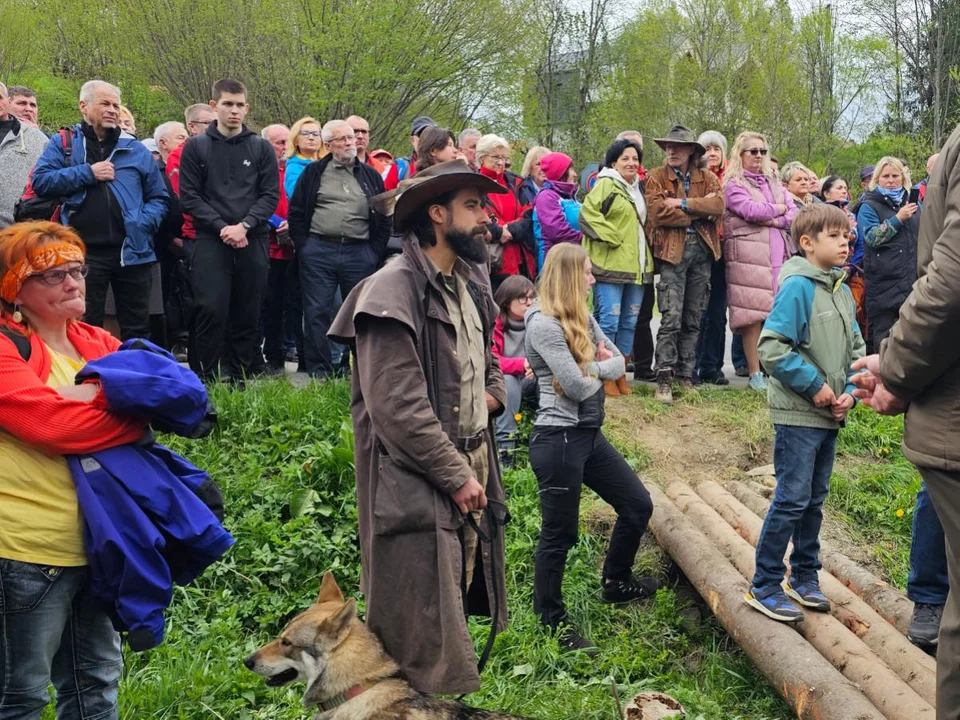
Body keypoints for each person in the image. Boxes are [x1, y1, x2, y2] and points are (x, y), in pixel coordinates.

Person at [328, 159, 508, 696]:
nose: (487, 218)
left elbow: (490, 357)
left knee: (450, 603)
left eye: (485, 206)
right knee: (414, 625)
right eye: (473, 206)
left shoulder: (472, 278)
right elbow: (397, 409)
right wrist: (455, 474)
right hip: (414, 479)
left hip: (471, 461)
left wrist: (494, 397)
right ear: (437, 214)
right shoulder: (391, 290)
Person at [0, 221, 148, 718]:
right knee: (19, 694)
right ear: (13, 289)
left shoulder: (97, 341)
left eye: (78, 270)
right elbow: (50, 425)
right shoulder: (6, 347)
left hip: (99, 543)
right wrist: (122, 406)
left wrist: (94, 398)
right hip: (23, 549)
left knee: (95, 685)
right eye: (52, 275)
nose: (73, 283)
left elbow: (173, 398)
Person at [850, 126, 960, 708]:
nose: (894, 183)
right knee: (928, 502)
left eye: (900, 176)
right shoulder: (874, 209)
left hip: (922, 337)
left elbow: (947, 281)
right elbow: (941, 280)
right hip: (905, 315)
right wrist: (896, 366)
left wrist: (897, 369)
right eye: (887, 176)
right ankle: (925, 597)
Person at [526, 243, 657, 653]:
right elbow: (580, 387)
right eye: (586, 272)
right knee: (559, 535)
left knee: (638, 504)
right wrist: (597, 370)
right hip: (558, 439)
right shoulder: (543, 325)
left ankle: (616, 582)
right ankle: (551, 622)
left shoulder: (581, 317)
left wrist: (593, 368)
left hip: (589, 436)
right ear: (568, 276)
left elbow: (621, 359)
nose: (593, 279)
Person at [745, 204, 865, 623]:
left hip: (832, 413)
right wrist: (815, 387)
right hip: (799, 413)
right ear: (808, 243)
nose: (846, 242)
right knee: (792, 498)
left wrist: (852, 390)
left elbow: (857, 349)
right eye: (836, 236)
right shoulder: (798, 287)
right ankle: (763, 584)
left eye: (848, 236)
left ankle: (805, 576)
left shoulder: (842, 289)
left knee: (814, 499)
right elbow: (772, 347)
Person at [31, 80, 169, 341]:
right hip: (82, 253)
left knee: (137, 329)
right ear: (84, 106)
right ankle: (88, 379)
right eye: (105, 103)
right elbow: (41, 181)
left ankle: (134, 380)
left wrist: (143, 222)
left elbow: (160, 197)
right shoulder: (64, 143)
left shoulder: (136, 149)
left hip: (132, 252)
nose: (113, 110)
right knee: (83, 325)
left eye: (116, 105)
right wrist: (88, 173)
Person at [177, 78, 279, 383]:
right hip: (211, 239)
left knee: (247, 310)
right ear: (214, 106)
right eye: (227, 104)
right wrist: (223, 228)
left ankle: (240, 378)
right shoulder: (196, 147)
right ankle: (205, 379)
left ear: (246, 108)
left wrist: (245, 225)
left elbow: (270, 195)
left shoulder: (260, 147)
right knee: (210, 308)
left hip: (253, 237)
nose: (234, 111)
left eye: (239, 105)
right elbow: (190, 196)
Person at [288, 119, 389, 378]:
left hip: (359, 252)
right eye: (342, 139)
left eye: (352, 137)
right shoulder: (313, 173)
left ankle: (357, 372)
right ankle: (319, 373)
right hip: (319, 251)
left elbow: (383, 215)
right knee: (317, 312)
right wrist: (306, 247)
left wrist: (373, 252)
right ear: (328, 144)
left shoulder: (370, 175)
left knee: (359, 313)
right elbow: (297, 212)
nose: (350, 142)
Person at [645, 125, 724, 405]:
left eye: (677, 147)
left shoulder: (708, 177)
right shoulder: (655, 177)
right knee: (671, 316)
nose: (671, 151)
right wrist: (696, 213)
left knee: (694, 316)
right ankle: (664, 377)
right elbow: (656, 213)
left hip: (701, 253)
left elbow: (718, 206)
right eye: (668, 147)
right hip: (671, 254)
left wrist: (681, 203)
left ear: (691, 150)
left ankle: (685, 376)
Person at [723, 131, 798, 391]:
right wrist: (779, 210)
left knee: (778, 317)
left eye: (762, 151)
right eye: (752, 151)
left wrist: (773, 217)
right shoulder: (734, 183)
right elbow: (750, 210)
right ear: (740, 154)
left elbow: (795, 214)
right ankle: (755, 373)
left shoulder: (774, 180)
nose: (758, 156)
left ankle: (775, 371)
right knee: (752, 317)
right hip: (749, 259)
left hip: (779, 255)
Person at [580, 137, 651, 397]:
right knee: (608, 322)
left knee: (630, 322)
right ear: (613, 162)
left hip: (637, 267)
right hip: (610, 266)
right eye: (625, 158)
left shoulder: (638, 188)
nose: (631, 163)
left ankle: (620, 373)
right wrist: (613, 237)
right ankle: (604, 374)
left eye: (635, 159)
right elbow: (587, 214)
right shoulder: (607, 183)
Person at [856, 156, 920, 349]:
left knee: (912, 340)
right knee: (885, 341)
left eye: (895, 175)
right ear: (877, 179)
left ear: (903, 178)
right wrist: (898, 219)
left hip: (912, 281)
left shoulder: (913, 204)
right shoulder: (868, 205)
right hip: (884, 286)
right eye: (885, 176)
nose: (890, 180)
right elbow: (872, 237)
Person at [262, 123, 304, 374]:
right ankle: (273, 356)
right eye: (278, 142)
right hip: (269, 247)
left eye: (286, 142)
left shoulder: (297, 170)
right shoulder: (261, 171)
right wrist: (279, 225)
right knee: (271, 305)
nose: (283, 147)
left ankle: (299, 352)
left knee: (296, 305)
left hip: (297, 247)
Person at [694, 130, 732, 386]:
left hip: (723, 251)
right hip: (699, 248)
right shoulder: (694, 178)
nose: (712, 154)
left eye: (716, 149)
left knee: (718, 312)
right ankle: (693, 365)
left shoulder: (732, 178)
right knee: (697, 311)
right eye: (707, 149)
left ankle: (712, 366)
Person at [152, 121, 190, 359]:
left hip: (191, 243)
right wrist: (169, 240)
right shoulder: (154, 170)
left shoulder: (192, 168)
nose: (186, 143)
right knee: (164, 298)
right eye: (180, 137)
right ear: (163, 143)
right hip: (163, 247)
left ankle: (184, 341)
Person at [492, 274, 538, 466]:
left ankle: (543, 436)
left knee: (548, 378)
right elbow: (492, 359)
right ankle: (506, 448)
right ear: (506, 300)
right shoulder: (495, 323)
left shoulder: (538, 321)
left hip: (530, 378)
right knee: (509, 381)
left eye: (531, 297)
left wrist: (536, 366)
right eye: (522, 298)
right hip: (506, 379)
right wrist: (521, 364)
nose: (528, 303)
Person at [477, 133, 536, 282]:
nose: (501, 162)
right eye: (496, 157)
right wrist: (499, 232)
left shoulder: (516, 183)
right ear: (482, 158)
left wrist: (509, 230)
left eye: (504, 158)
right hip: (494, 261)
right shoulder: (473, 185)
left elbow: (529, 213)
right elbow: (475, 219)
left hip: (522, 256)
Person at [0, 82, 47, 229]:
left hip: (17, 234)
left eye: (33, 105)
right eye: (21, 103)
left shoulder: (41, 140)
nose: (28, 109)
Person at [533, 151, 581, 267]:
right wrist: (588, 240)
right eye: (571, 170)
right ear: (561, 173)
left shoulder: (569, 197)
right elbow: (557, 232)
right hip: (554, 263)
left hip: (573, 260)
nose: (574, 174)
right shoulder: (546, 197)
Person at [383, 116, 437, 190]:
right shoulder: (399, 167)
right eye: (422, 134)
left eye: (432, 135)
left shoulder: (445, 164)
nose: (427, 138)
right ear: (412, 140)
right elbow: (384, 197)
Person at [282, 117, 323, 200]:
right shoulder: (294, 167)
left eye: (315, 134)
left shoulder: (327, 164)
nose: (311, 137)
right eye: (305, 133)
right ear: (295, 140)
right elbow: (297, 196)